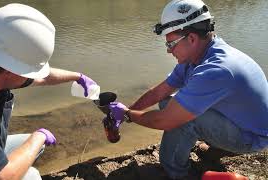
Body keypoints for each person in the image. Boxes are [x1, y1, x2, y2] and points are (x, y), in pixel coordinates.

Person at [106, 0, 268, 179]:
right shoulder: (200, 54)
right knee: (169, 102)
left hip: (252, 138)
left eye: (170, 44)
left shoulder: (216, 69)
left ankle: (174, 172)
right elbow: (159, 92)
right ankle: (216, 147)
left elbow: (165, 121)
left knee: (183, 119)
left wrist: (128, 115)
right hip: (240, 122)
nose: (168, 51)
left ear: (191, 38)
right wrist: (130, 110)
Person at [0, 3, 97, 180]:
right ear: (9, 71)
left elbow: (44, 78)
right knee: (31, 175)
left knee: (32, 148)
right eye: (27, 71)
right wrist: (38, 137)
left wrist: (77, 76)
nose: (30, 76)